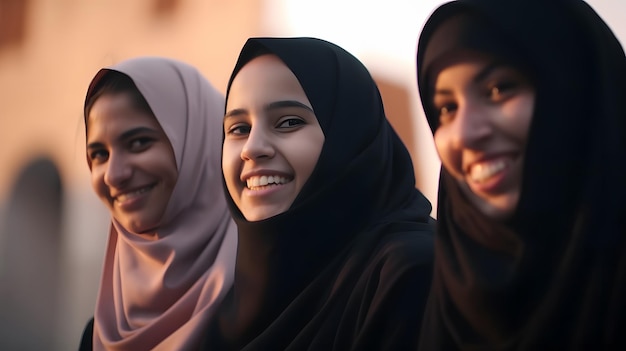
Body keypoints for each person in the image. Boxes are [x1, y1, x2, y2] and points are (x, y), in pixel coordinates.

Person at [416, 0, 626, 349]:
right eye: (447, 108)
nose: (466, 133)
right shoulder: (458, 281)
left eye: (499, 89)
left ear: (575, 90)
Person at [201, 37, 435, 350]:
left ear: (349, 136)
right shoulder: (231, 302)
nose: (252, 148)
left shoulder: (409, 273)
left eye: (288, 122)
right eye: (238, 129)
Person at [78, 56, 237, 350]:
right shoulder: (102, 332)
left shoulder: (270, 311)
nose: (114, 175)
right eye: (99, 154)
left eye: (139, 142)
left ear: (199, 145)